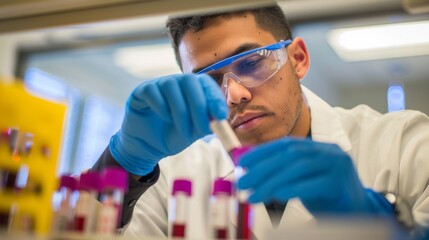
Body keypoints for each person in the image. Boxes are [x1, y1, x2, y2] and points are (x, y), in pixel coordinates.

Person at [91, 3, 429, 239]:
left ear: (297, 59)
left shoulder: (406, 144)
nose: (233, 95)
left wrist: (374, 220)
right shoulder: (172, 180)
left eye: (252, 62)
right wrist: (122, 161)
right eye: (208, 81)